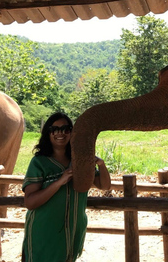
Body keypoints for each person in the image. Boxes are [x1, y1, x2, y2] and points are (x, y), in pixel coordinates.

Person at [22, 112, 111, 262]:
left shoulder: (80, 160)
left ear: (72, 132)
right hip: (45, 231)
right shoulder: (39, 163)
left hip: (74, 229)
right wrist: (59, 182)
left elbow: (105, 185)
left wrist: (100, 164)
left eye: (65, 129)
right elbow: (30, 202)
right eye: (54, 129)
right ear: (48, 133)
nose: (60, 133)